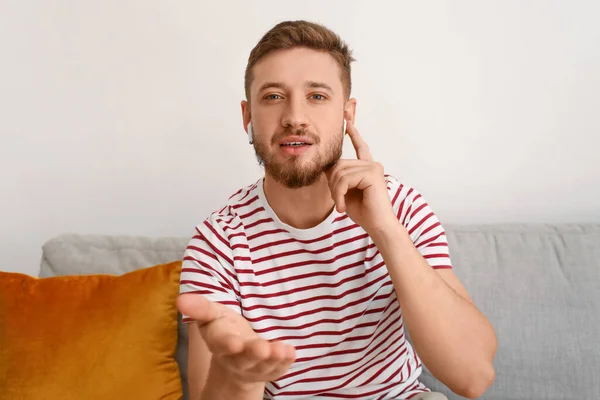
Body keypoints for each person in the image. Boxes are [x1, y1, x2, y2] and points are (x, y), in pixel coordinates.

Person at [176, 20, 497, 400]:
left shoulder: (401, 206)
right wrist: (241, 377)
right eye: (274, 96)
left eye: (317, 96)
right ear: (248, 117)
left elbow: (473, 376)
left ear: (348, 115)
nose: (295, 116)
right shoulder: (217, 242)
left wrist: (386, 230)